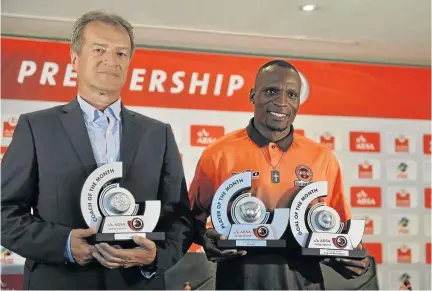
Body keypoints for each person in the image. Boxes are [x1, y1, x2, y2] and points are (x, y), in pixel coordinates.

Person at [1, 10, 193, 290]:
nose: (110, 61)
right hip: (59, 282)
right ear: (75, 60)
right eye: (99, 49)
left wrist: (156, 256)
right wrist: (64, 244)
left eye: (121, 53)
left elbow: (179, 217)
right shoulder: (36, 127)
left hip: (136, 284)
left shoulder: (158, 134)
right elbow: (5, 213)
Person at [188, 60, 371, 290]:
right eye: (271, 91)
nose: (282, 102)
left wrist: (354, 259)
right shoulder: (218, 153)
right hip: (238, 282)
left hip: (305, 284)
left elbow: (340, 231)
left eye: (292, 94)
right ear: (253, 95)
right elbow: (189, 221)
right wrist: (207, 240)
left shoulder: (322, 157)